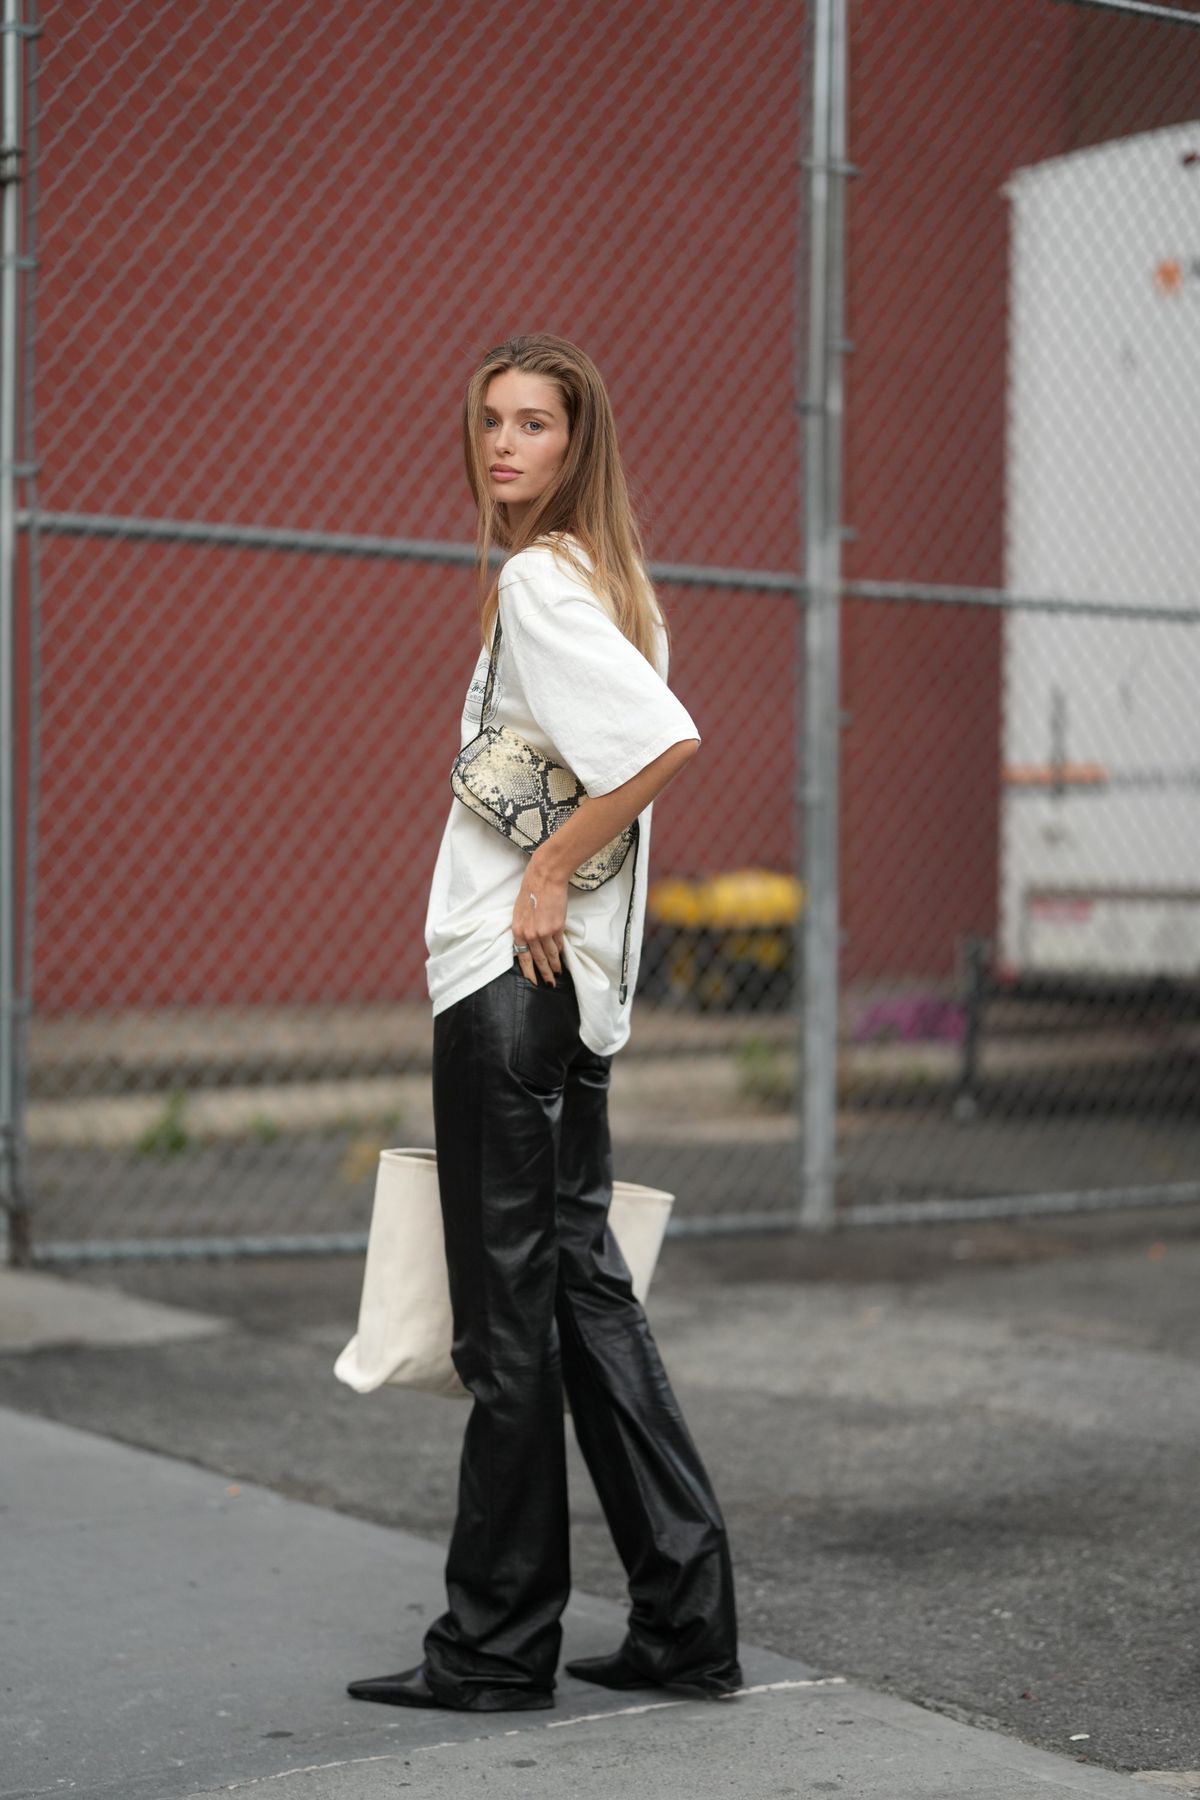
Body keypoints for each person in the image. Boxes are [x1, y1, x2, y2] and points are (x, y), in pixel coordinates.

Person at [347, 333, 742, 1714]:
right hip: (568, 999)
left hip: (509, 986)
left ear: (582, 448)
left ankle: (496, 1646)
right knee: (584, 1303)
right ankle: (687, 1620)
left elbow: (661, 740)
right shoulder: (617, 585)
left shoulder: (538, 579)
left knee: (507, 1325)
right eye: (492, 423)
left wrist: (545, 865)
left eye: (536, 426)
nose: (505, 446)